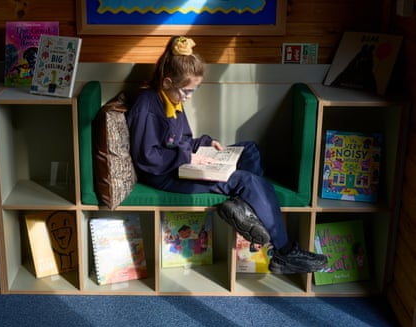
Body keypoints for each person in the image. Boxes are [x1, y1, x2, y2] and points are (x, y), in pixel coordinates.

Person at [126, 36, 327, 274]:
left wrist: (205, 143)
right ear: (168, 82)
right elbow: (147, 158)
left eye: (195, 89)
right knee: (247, 180)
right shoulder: (148, 106)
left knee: (249, 149)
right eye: (187, 91)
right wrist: (188, 158)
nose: (189, 97)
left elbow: (182, 140)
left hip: (180, 163)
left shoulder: (171, 99)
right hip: (166, 174)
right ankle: (283, 252)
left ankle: (246, 208)